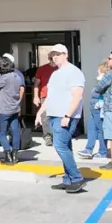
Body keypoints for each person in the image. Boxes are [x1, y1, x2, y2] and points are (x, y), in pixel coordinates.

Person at [36, 44, 86, 193]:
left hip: (64, 116)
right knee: (66, 146)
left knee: (60, 146)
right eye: (53, 55)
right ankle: (68, 179)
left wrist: (67, 115)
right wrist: (40, 113)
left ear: (66, 54)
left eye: (58, 54)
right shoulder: (56, 74)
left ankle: (76, 178)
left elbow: (77, 95)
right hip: (54, 115)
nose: (55, 57)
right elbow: (50, 96)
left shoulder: (74, 72)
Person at [0, 54, 25, 164]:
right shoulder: (17, 76)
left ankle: (8, 154)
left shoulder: (2, 79)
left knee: (1, 133)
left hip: (4, 109)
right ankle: (15, 155)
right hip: (15, 108)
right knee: (15, 131)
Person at [79, 61, 111, 160]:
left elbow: (105, 94)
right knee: (91, 128)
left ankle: (102, 151)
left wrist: (100, 104)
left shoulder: (105, 81)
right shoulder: (102, 81)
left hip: (99, 108)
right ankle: (88, 149)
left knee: (100, 130)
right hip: (94, 109)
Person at [34, 53, 58, 146]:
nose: (54, 61)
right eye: (53, 59)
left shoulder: (61, 69)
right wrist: (36, 96)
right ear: (49, 59)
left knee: (57, 117)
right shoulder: (42, 69)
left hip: (58, 97)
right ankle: (48, 137)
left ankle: (56, 136)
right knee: (45, 118)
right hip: (45, 96)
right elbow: (36, 84)